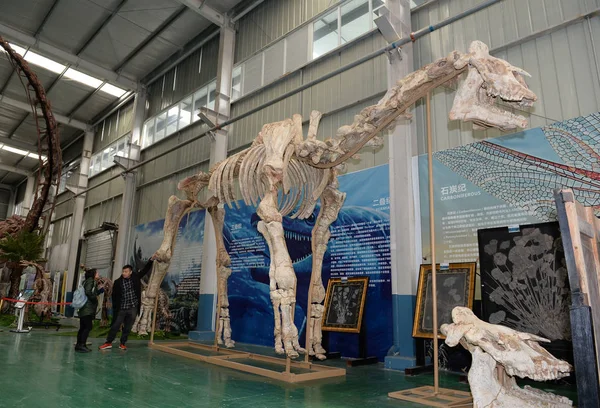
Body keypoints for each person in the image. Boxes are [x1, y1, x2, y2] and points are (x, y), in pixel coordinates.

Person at [98, 259, 154, 351]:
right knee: (115, 326)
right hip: (122, 308)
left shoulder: (135, 278)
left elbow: (145, 270)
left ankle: (122, 343)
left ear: (130, 272)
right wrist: (113, 304)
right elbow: (114, 295)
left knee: (128, 327)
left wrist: (151, 260)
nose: (124, 273)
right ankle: (108, 342)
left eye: (126, 271)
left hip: (132, 308)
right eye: (123, 271)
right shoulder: (118, 282)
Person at [76, 268, 104, 353]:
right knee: (88, 327)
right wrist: (94, 299)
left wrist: (99, 291)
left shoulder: (87, 281)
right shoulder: (91, 281)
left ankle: (79, 345)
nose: (98, 274)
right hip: (87, 309)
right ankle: (82, 345)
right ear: (93, 274)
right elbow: (88, 292)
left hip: (84, 308)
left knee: (83, 327)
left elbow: (90, 292)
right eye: (97, 273)